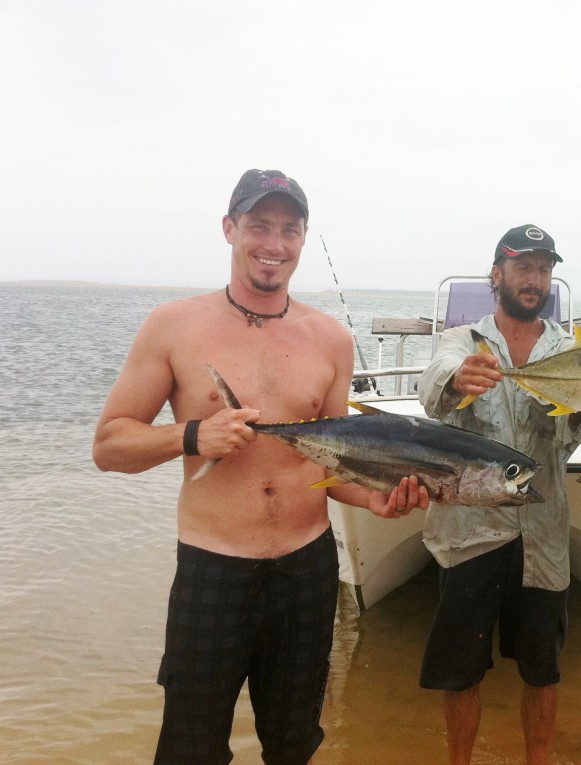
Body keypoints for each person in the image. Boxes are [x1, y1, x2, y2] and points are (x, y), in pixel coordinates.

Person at [92, 168, 429, 765]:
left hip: (306, 570)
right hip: (212, 569)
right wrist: (194, 434)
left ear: (303, 240)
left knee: (295, 743)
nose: (273, 244)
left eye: (289, 230)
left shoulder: (330, 339)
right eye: (258, 226)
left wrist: (375, 497)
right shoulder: (174, 326)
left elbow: (335, 462)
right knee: (191, 749)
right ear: (229, 229)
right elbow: (111, 446)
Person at [417, 224, 581, 765]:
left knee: (543, 671)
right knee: (461, 674)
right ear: (498, 275)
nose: (533, 280)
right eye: (522, 268)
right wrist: (458, 379)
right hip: (470, 534)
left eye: (543, 269)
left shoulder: (572, 351)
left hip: (544, 536)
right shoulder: (464, 342)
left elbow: (562, 440)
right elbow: (432, 392)